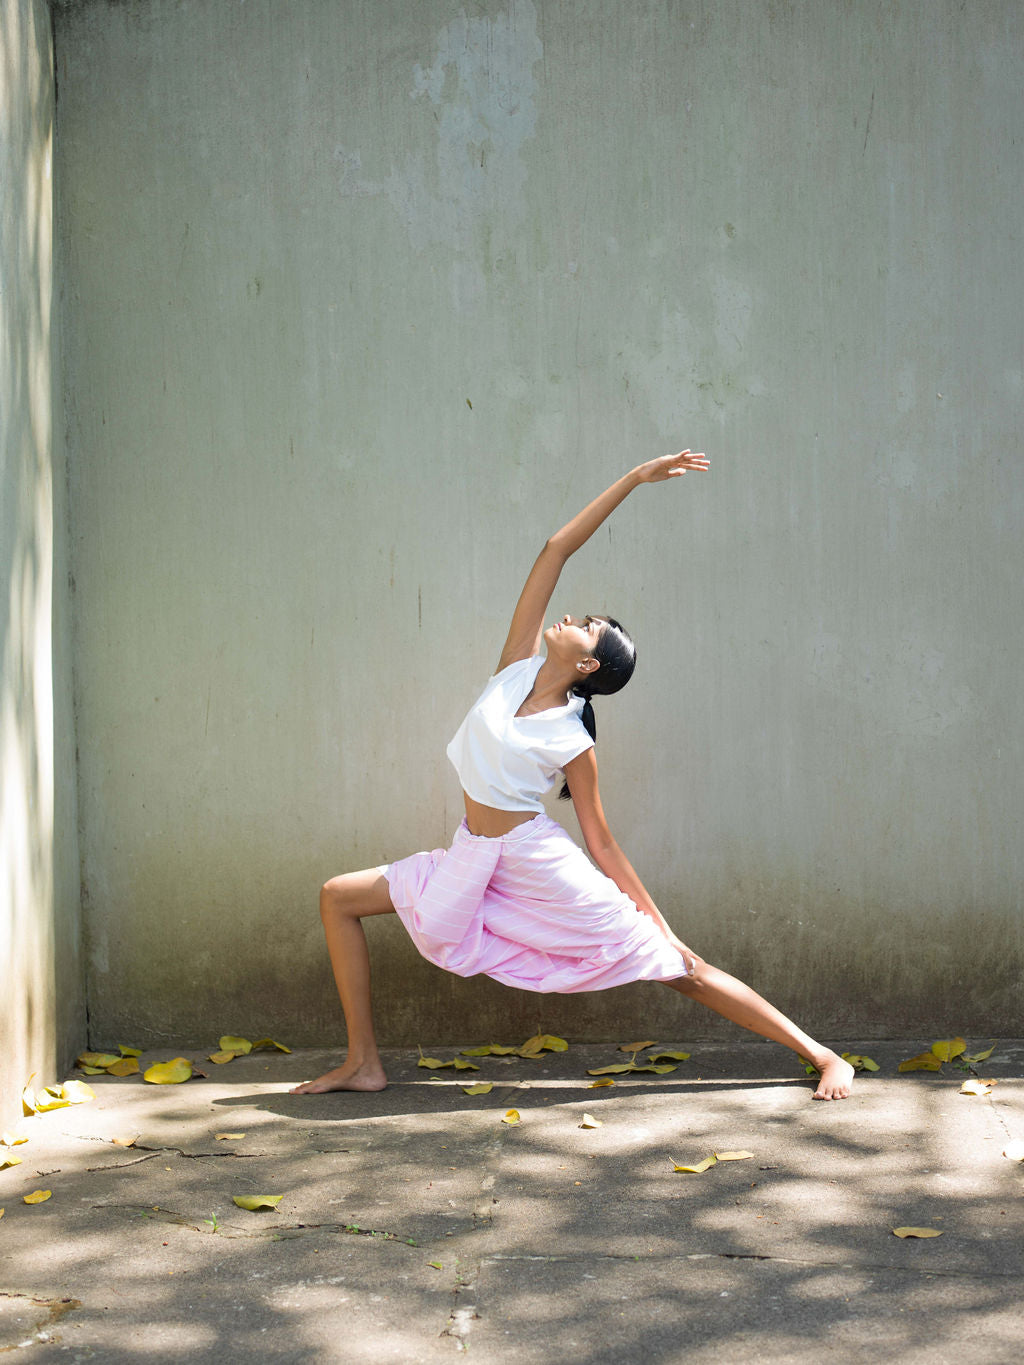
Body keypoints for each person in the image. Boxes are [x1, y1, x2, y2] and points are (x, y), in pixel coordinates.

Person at [292, 452, 854, 1102]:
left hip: (534, 863)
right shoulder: (513, 669)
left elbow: (603, 842)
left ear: (589, 666)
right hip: (472, 854)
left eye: (588, 627)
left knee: (678, 967)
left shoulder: (573, 738)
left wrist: (659, 923)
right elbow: (556, 548)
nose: (572, 618)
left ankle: (822, 1054)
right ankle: (363, 1062)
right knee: (339, 895)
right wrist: (635, 479)